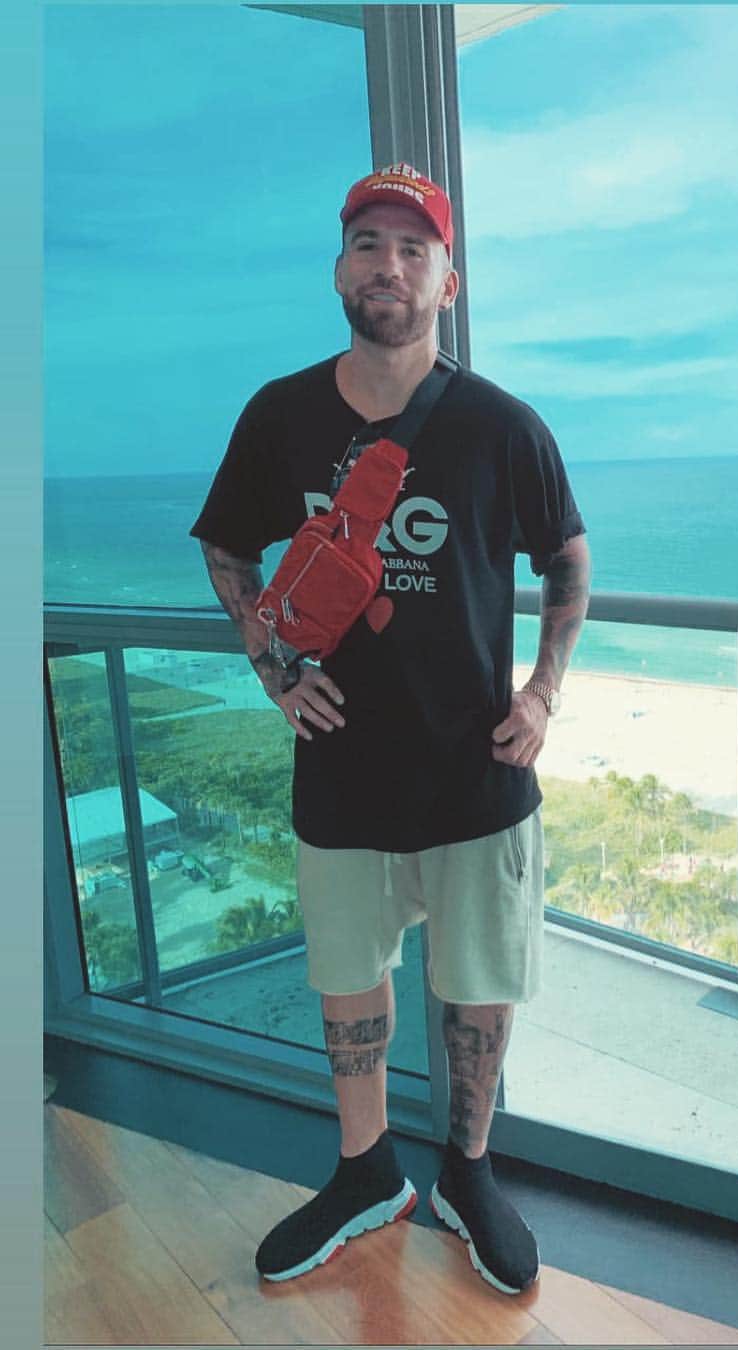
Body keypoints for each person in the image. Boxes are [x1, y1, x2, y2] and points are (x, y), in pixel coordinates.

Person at [190, 163, 591, 1296]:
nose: (390, 265)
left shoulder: (501, 424)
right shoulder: (280, 415)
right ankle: (366, 1171)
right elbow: (226, 547)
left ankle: (468, 1172)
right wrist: (273, 670)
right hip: (342, 767)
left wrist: (544, 693)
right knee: (347, 980)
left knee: (478, 982)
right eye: (369, 243)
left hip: (478, 768)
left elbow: (567, 557)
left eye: (415, 249)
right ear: (339, 271)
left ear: (447, 283)